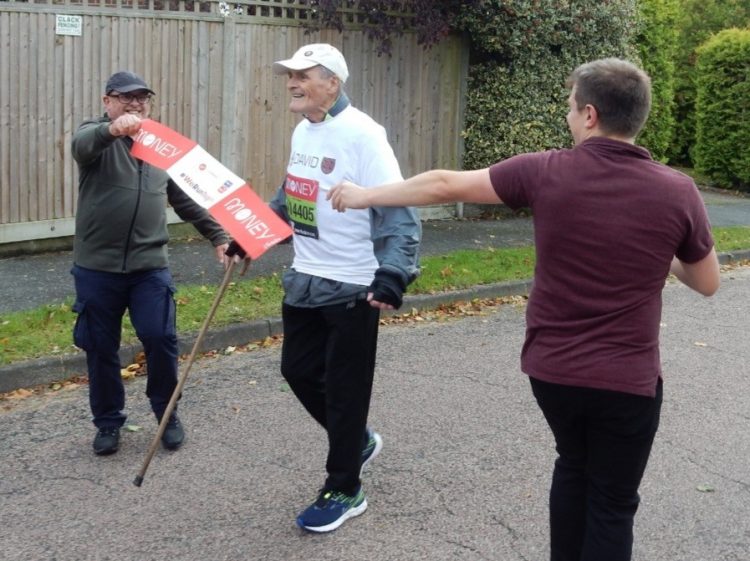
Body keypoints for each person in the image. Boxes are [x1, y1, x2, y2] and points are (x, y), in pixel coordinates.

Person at [329, 58, 720, 560]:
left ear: (590, 115)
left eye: (569, 106)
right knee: (613, 501)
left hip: (553, 373)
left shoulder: (544, 171)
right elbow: (707, 282)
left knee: (573, 466)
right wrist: (659, 250)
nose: (567, 116)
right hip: (628, 382)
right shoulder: (677, 191)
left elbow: (446, 185)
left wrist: (365, 195)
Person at [228, 43, 420, 532]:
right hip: (306, 279)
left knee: (344, 391)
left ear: (332, 83)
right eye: (289, 75)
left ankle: (345, 487)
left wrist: (393, 273)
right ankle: (356, 441)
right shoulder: (303, 130)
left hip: (354, 286)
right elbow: (292, 195)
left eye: (303, 75)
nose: (292, 82)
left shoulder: (364, 135)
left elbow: (397, 209)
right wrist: (249, 238)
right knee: (297, 370)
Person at [71, 71, 229, 456]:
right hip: (97, 269)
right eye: (126, 98)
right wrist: (112, 130)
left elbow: (184, 198)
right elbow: (81, 145)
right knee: (101, 348)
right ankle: (108, 423)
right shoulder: (95, 137)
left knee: (160, 339)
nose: (136, 104)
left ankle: (167, 415)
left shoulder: (159, 146)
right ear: (108, 101)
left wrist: (219, 235)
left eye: (142, 98)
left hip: (150, 267)